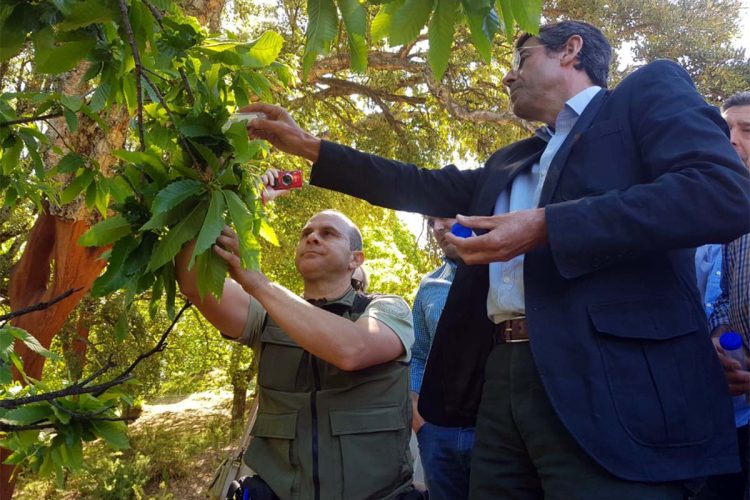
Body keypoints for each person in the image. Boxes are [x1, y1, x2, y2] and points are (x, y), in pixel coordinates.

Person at [241, 20, 750, 498]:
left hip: (616, 387)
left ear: (571, 50)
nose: (508, 74)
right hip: (502, 380)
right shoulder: (510, 160)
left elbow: (723, 192)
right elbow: (417, 183)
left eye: (521, 58)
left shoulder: (644, 96)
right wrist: (308, 146)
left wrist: (547, 225)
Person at [175, 204, 416, 499]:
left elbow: (352, 350)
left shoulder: (388, 309)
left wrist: (258, 283)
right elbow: (191, 278)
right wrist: (229, 199)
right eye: (307, 233)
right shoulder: (266, 315)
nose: (312, 237)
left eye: (328, 234)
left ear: (356, 259)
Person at [697, 91, 750, 500]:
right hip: (730, 418)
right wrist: (722, 334)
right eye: (726, 129)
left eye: (746, 130)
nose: (731, 140)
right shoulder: (733, 212)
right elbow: (726, 297)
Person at [410, 216, 474, 500]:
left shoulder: (507, 273)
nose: (437, 227)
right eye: (431, 220)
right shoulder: (429, 287)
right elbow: (418, 356)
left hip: (499, 432)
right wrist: (421, 423)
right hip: (438, 436)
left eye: (445, 215)